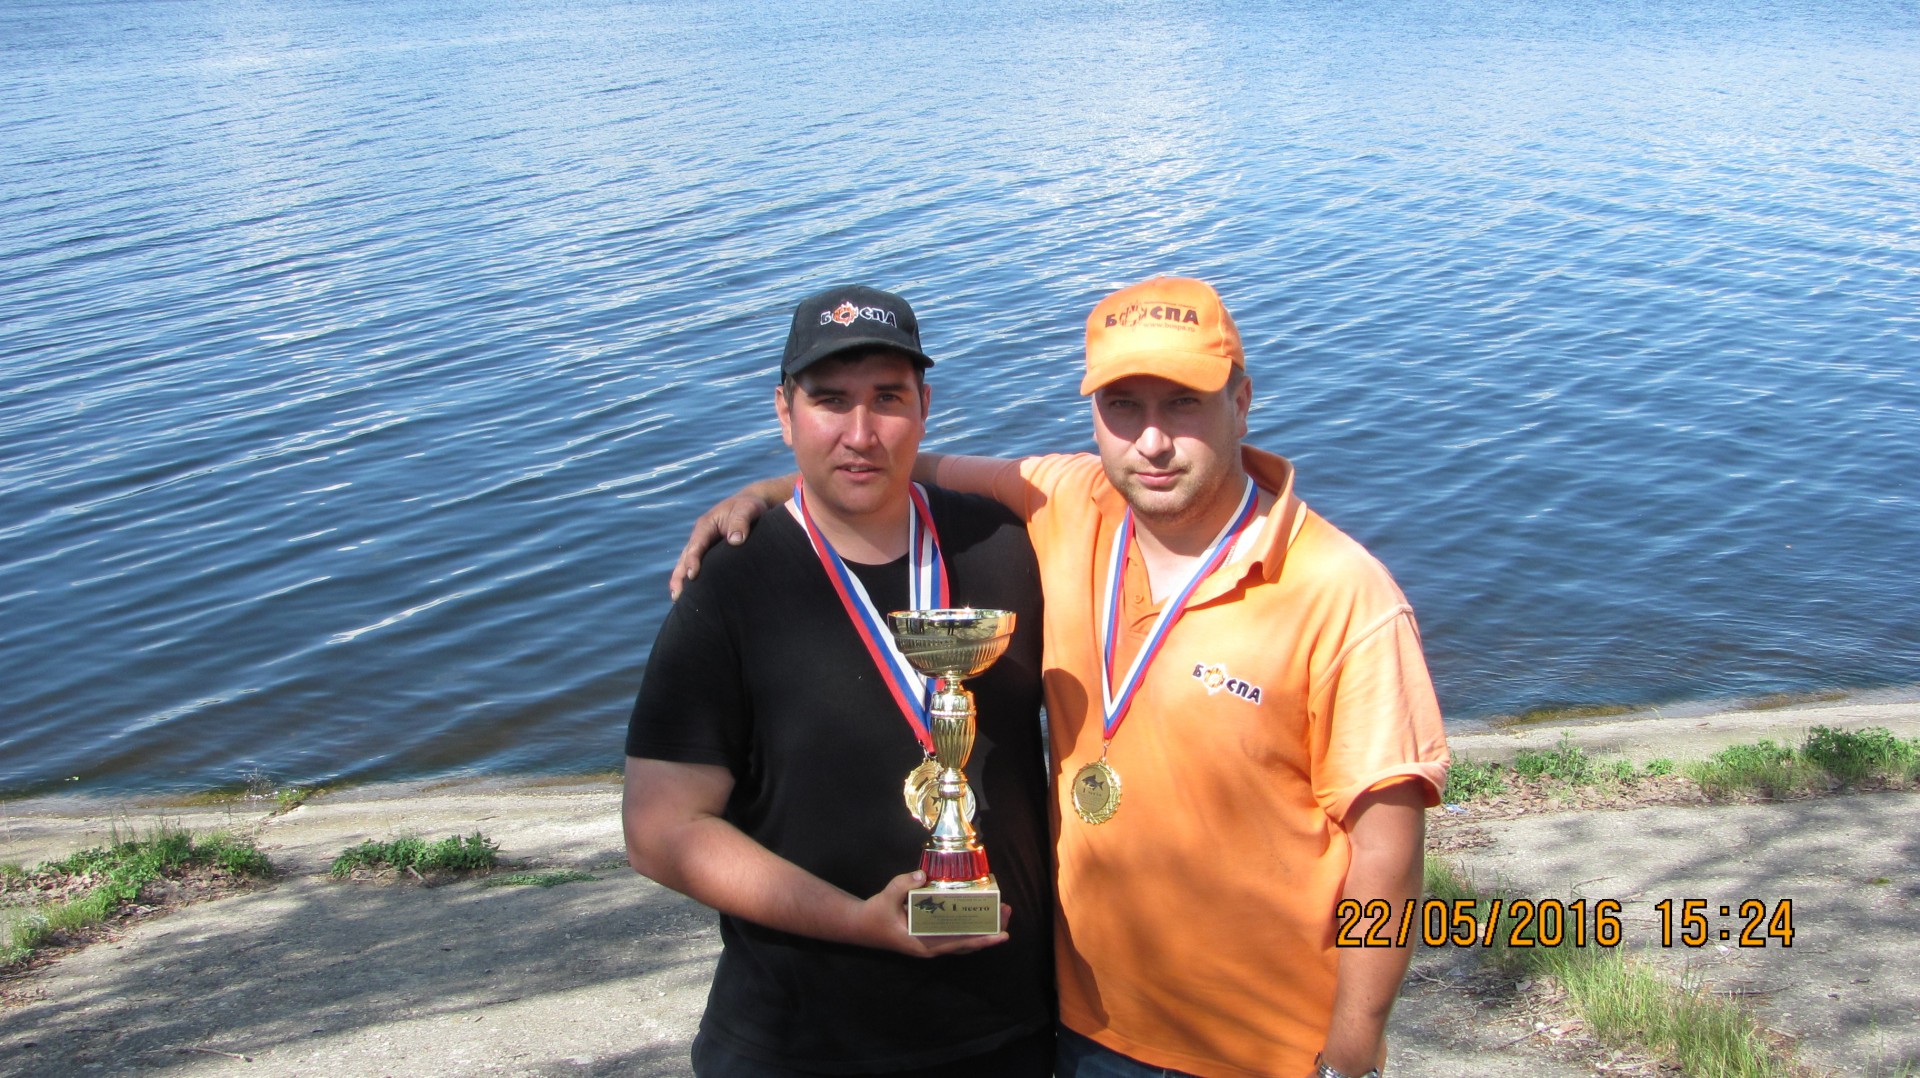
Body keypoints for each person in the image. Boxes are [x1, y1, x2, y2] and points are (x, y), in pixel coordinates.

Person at [674, 276, 1450, 1078]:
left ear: (1241, 402)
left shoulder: (1342, 594)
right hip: (1085, 1033)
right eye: (1123, 407)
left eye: (1183, 404)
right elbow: (899, 462)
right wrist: (773, 490)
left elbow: (1387, 856)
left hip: (1264, 1050)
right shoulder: (1071, 502)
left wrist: (1353, 1049)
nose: (1152, 441)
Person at [624, 285, 1055, 1076]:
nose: (860, 434)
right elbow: (662, 830)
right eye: (829, 401)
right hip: (800, 1044)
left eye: (887, 399)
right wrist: (857, 920)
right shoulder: (732, 586)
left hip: (1013, 1034)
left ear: (924, 408)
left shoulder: (1009, 546)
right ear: (784, 412)